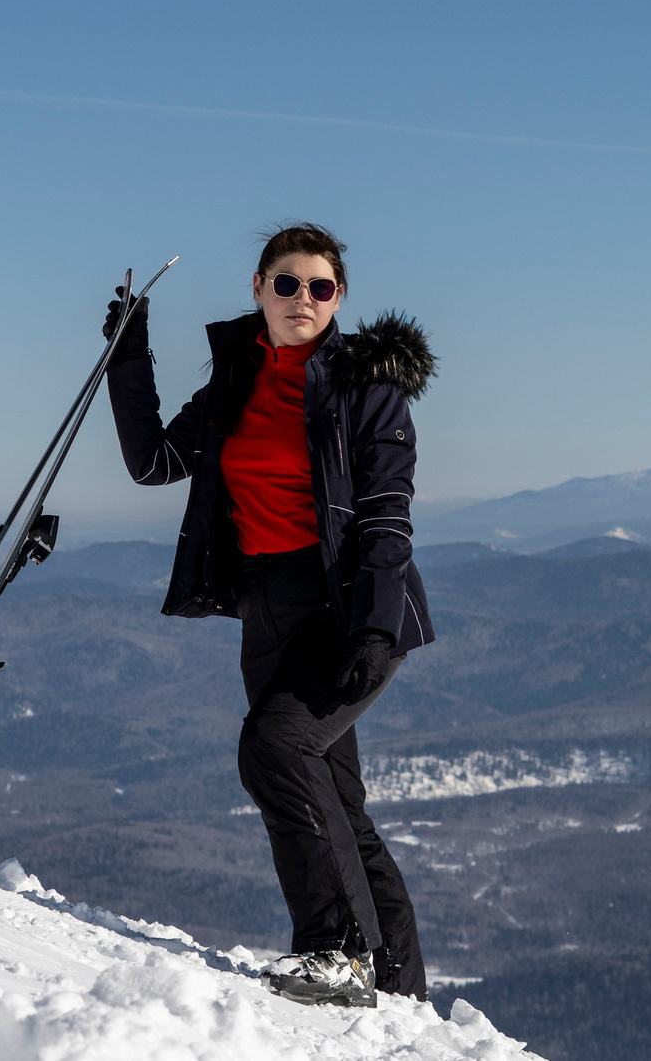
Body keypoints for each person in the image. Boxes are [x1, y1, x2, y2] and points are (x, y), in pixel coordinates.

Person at [103, 222, 436, 1008]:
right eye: (286, 283)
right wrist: (127, 352)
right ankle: (401, 991)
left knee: (273, 749)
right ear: (258, 288)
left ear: (339, 297)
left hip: (352, 615)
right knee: (336, 802)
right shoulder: (239, 376)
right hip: (267, 612)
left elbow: (388, 515)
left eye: (319, 287)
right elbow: (154, 461)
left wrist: (377, 627)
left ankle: (338, 947)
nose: (302, 299)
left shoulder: (365, 384)